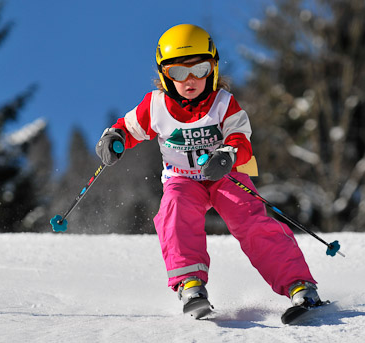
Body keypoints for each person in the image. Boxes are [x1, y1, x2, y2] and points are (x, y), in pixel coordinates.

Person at [96, 24, 321, 318]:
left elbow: (240, 139)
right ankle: (190, 285)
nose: (189, 79)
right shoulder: (155, 106)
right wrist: (114, 139)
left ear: (212, 68)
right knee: (175, 209)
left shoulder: (223, 103)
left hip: (224, 175)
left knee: (249, 216)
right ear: (165, 75)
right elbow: (128, 129)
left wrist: (228, 154)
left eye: (199, 69)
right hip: (181, 178)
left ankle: (299, 286)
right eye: (178, 72)